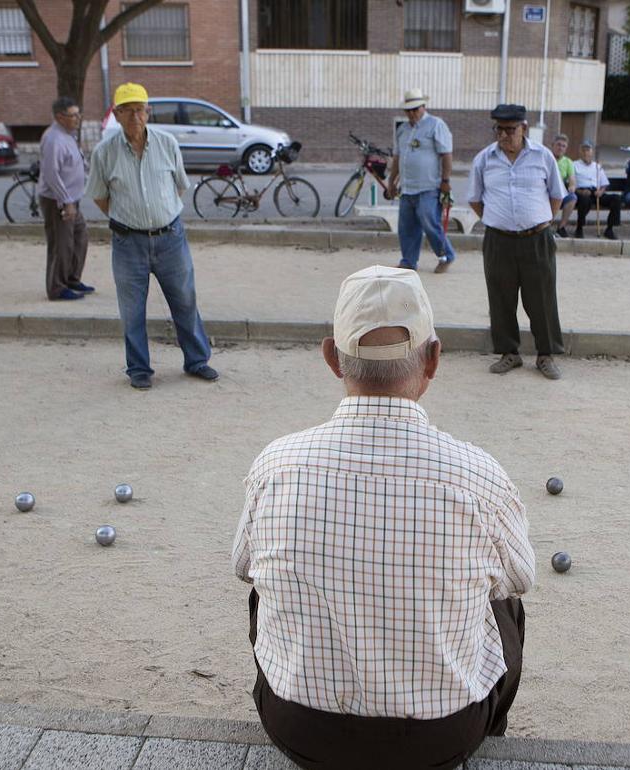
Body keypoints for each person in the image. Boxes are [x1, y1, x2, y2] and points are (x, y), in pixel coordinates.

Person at [232, 265, 534, 770]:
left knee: (264, 587)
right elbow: (521, 577)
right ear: (434, 359)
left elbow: (243, 565)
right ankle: (490, 730)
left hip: (299, 730)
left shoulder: (276, 464)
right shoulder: (479, 475)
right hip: (441, 739)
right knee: (506, 605)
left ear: (332, 357)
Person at [87, 82, 218, 388]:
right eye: (127, 111)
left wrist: (158, 214)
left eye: (139, 110)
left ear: (148, 111)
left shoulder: (167, 143)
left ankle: (197, 361)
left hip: (170, 238)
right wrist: (130, 219)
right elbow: (100, 196)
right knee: (132, 309)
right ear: (116, 115)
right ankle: (139, 369)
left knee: (185, 300)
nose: (134, 116)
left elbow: (179, 186)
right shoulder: (104, 153)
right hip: (127, 242)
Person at [468, 104, 566, 380]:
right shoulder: (484, 159)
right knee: (501, 297)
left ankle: (546, 355)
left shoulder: (543, 156)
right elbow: (475, 199)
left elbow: (556, 195)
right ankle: (509, 353)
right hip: (498, 240)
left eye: (510, 130)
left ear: (524, 128)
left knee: (542, 298)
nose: (503, 135)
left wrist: (540, 219)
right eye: (498, 129)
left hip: (537, 238)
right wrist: (499, 220)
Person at [386, 88, 456, 273]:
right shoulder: (402, 129)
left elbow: (446, 154)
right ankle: (408, 261)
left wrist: (446, 180)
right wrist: (392, 181)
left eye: (415, 109)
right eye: (408, 110)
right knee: (406, 227)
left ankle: (446, 256)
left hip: (429, 186)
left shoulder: (436, 124)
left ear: (423, 106)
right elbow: (397, 158)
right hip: (407, 187)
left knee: (430, 223)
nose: (412, 113)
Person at [37, 97, 92, 301]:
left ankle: (71, 278)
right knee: (61, 244)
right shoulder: (53, 139)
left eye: (79, 114)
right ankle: (57, 288)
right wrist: (66, 201)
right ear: (60, 117)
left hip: (72, 198)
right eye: (74, 115)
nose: (78, 118)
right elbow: (51, 174)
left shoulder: (67, 134)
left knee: (80, 237)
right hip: (58, 201)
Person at [572, 140, 622, 240]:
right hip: (582, 192)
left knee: (616, 199)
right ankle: (579, 227)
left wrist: (601, 191)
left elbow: (604, 184)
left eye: (588, 150)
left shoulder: (597, 166)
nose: (586, 152)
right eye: (584, 150)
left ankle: (610, 229)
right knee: (584, 199)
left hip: (596, 192)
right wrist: (580, 191)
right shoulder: (574, 165)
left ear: (592, 152)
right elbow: (572, 184)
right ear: (580, 152)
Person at [550, 133, 578, 237]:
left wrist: (572, 186)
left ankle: (561, 227)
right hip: (546, 191)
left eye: (563, 146)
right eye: (558, 145)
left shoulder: (568, 162)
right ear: (553, 145)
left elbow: (572, 179)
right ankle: (546, 227)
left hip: (560, 192)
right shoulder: (547, 158)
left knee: (572, 197)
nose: (560, 148)